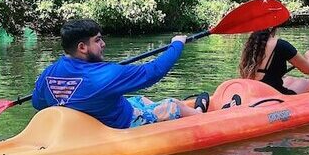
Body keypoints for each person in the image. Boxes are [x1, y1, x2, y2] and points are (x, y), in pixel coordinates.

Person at [32, 19, 208, 128]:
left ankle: (180, 113)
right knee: (173, 105)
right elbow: (154, 71)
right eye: (98, 40)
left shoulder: (47, 75)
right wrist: (177, 44)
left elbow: (38, 103)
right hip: (121, 124)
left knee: (142, 99)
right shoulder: (104, 75)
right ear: (82, 47)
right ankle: (200, 115)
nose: (103, 45)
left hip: (104, 117)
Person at [238, 27, 309, 94]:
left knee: (289, 79)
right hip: (275, 97)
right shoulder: (281, 45)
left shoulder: (250, 46)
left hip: (255, 94)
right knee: (306, 83)